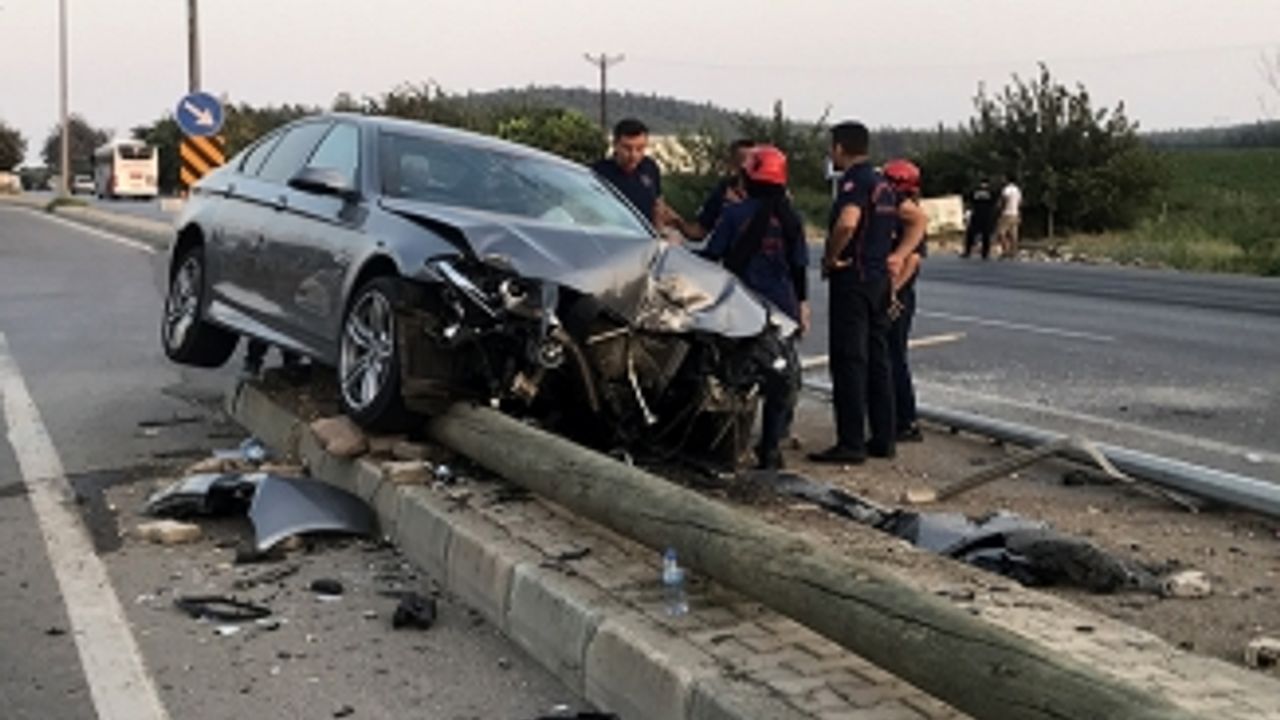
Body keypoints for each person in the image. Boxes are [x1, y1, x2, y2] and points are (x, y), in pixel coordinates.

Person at [701, 145, 809, 470]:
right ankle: (771, 447)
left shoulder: (735, 214)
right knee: (779, 377)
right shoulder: (792, 219)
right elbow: (799, 267)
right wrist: (802, 305)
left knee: (734, 376)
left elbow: (713, 255)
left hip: (742, 306)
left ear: (747, 177)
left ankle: (730, 445)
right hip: (783, 309)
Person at [809, 122, 898, 465]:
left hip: (854, 280)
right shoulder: (882, 184)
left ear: (840, 148)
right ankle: (884, 437)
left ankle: (851, 442)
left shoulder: (854, 182)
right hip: (878, 280)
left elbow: (848, 222)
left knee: (849, 360)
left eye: (831, 147)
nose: (830, 153)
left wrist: (830, 257)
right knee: (878, 360)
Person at [883, 159, 929, 443]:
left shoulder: (909, 216)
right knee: (889, 356)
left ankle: (905, 420)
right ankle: (892, 415)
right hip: (894, 292)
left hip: (899, 295)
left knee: (894, 357)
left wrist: (892, 292)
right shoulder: (894, 214)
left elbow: (912, 260)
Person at [672, 139, 756, 241]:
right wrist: (678, 221)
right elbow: (700, 231)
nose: (746, 166)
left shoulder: (767, 193)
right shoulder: (723, 191)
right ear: (732, 164)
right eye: (741, 160)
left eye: (752, 161)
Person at [590, 118, 668, 229]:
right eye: (627, 148)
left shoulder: (649, 167)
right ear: (615, 145)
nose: (633, 155)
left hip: (644, 235)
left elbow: (658, 203)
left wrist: (659, 231)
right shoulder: (598, 172)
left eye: (640, 148)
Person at [962, 177, 996, 259]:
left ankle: (967, 251)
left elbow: (970, 201)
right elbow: (994, 203)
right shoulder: (991, 192)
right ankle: (985, 253)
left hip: (976, 214)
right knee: (986, 235)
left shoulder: (975, 191)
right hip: (987, 216)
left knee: (970, 233)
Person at [995, 175, 1022, 259]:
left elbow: (1003, 200)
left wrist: (1000, 210)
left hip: (1006, 214)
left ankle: (1005, 250)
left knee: (1001, 233)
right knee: (1014, 234)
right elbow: (1020, 202)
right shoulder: (1017, 190)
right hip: (1015, 213)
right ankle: (1013, 252)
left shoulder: (1006, 189)